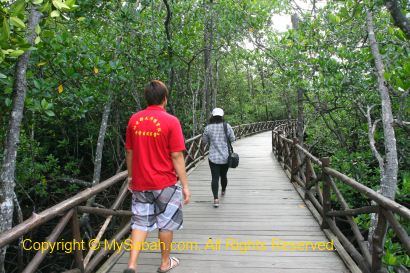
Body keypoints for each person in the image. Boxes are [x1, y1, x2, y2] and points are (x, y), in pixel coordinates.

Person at [124, 80, 191, 273]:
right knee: (166, 224)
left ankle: (132, 265)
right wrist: (185, 185)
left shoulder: (134, 120)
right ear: (165, 98)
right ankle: (164, 263)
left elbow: (129, 151)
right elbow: (177, 155)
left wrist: (131, 177)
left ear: (147, 98)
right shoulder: (171, 121)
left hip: (140, 182)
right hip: (165, 183)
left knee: (139, 223)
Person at [202, 108, 235, 208]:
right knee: (224, 175)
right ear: (222, 116)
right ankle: (223, 190)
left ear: (212, 116)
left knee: (215, 178)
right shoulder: (227, 126)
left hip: (213, 157)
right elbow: (233, 139)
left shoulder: (208, 128)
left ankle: (216, 199)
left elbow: (204, 141)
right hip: (225, 157)